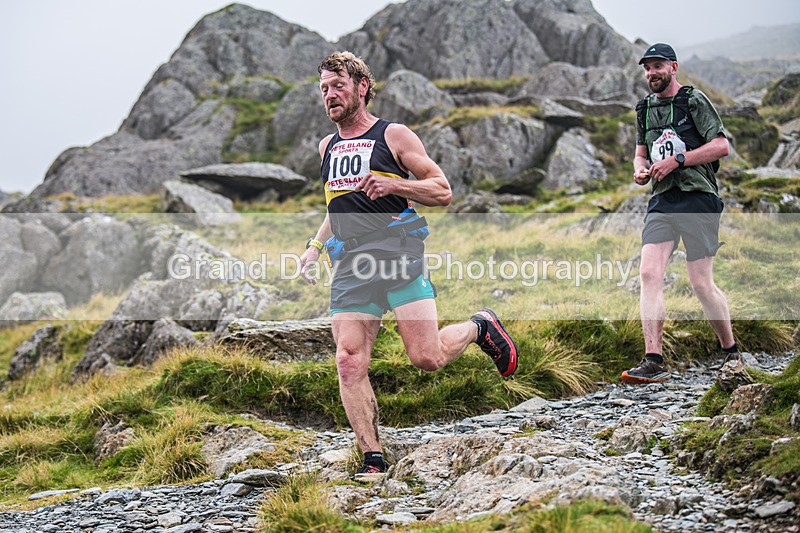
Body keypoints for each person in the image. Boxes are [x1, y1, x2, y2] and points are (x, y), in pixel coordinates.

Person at [298, 51, 518, 480]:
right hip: (350, 266)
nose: (330, 95)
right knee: (348, 360)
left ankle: (480, 326)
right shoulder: (326, 146)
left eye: (338, 85)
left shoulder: (393, 135)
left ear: (362, 86)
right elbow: (337, 206)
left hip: (397, 254)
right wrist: (314, 247)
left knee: (427, 357)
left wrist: (394, 183)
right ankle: (373, 458)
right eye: (324, 88)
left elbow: (442, 190)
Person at [621, 43, 741, 385]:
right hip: (662, 199)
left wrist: (679, 160)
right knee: (648, 272)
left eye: (657, 66)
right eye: (647, 68)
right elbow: (639, 154)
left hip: (698, 197)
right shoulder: (643, 109)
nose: (651, 73)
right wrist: (640, 170)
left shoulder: (694, 100)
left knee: (701, 284)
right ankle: (653, 360)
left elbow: (721, 146)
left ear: (674, 67)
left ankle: (730, 351)